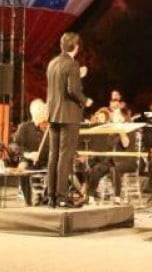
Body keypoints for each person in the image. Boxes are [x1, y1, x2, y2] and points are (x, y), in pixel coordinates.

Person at [45, 31, 90, 208]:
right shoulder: (72, 64)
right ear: (76, 47)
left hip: (53, 114)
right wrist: (85, 101)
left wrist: (78, 75)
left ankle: (51, 196)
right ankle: (62, 197)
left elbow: (60, 85)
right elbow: (72, 90)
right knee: (65, 156)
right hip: (68, 115)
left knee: (53, 155)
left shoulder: (52, 63)